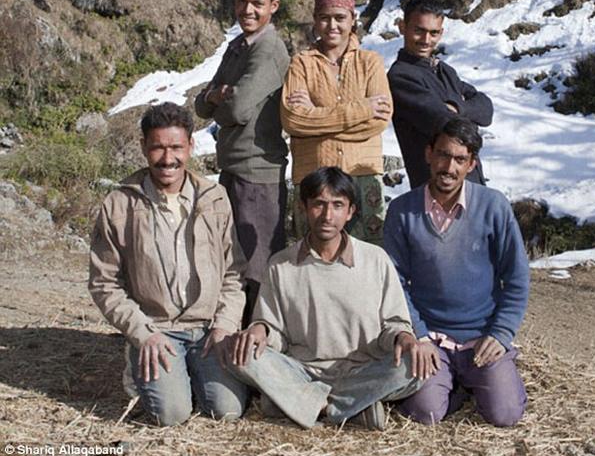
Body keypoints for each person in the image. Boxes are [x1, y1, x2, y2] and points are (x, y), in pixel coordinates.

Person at [224, 167, 425, 430]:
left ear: (351, 211)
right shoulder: (281, 264)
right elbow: (274, 334)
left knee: (415, 365)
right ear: (303, 208)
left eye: (337, 205)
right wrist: (259, 331)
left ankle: (309, 406)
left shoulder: (376, 260)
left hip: (363, 370)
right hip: (301, 372)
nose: (328, 216)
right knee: (238, 352)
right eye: (319, 204)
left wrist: (405, 338)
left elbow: (394, 325)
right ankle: (351, 408)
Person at [89, 103, 248, 426]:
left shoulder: (214, 198)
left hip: (207, 330)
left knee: (227, 410)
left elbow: (234, 273)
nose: (167, 158)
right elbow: (104, 283)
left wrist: (224, 326)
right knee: (171, 415)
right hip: (155, 329)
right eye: (158, 147)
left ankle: (185, 373)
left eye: (176, 147)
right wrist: (141, 333)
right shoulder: (120, 204)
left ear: (190, 146)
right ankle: (142, 364)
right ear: (144, 147)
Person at [383, 117, 529, 427]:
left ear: (471, 164)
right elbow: (394, 282)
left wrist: (501, 334)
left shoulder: (494, 206)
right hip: (431, 339)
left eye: (460, 159)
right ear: (428, 154)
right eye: (443, 155)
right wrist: (418, 335)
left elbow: (516, 279)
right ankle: (454, 385)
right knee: (426, 413)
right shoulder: (401, 211)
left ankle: (481, 377)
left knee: (505, 415)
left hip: (481, 337)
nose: (449, 167)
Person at [195, 0, 289, 324]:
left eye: (257, 4)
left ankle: (259, 345)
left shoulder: (268, 50)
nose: (248, 11)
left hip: (258, 172)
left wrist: (219, 97)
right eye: (242, 2)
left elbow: (234, 107)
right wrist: (216, 96)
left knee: (258, 266)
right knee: (234, 258)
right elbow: (202, 104)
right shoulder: (238, 47)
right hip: (234, 167)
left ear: (273, 6)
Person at [281, 0, 392, 246]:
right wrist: (362, 109)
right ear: (315, 21)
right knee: (314, 261)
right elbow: (293, 120)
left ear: (352, 20)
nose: (333, 25)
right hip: (313, 177)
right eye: (325, 17)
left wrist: (316, 117)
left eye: (340, 17)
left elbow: (379, 120)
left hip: (362, 177)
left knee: (366, 259)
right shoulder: (301, 63)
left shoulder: (371, 62)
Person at [387, 0, 493, 189]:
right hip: (435, 192)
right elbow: (446, 123)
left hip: (471, 186)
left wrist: (456, 107)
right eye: (419, 31)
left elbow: (487, 110)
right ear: (402, 27)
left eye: (433, 33)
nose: (426, 40)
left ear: (441, 33)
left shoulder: (445, 71)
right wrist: (466, 113)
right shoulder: (400, 76)